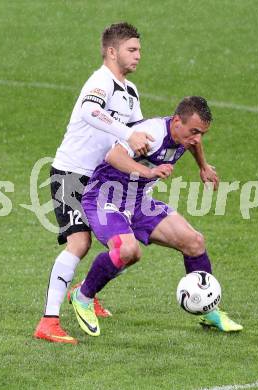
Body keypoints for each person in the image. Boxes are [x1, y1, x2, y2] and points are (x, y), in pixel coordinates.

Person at [34, 22, 218, 344]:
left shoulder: (130, 92)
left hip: (105, 179)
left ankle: (86, 292)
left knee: (123, 247)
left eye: (139, 50)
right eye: (131, 50)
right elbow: (91, 111)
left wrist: (170, 156)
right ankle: (48, 321)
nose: (138, 56)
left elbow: (140, 136)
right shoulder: (100, 82)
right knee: (80, 244)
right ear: (111, 51)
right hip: (72, 174)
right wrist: (127, 135)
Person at [69, 96, 243, 337]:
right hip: (104, 198)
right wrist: (148, 171)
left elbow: (192, 144)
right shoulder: (150, 134)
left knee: (194, 242)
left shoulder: (185, 135)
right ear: (176, 121)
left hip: (139, 202)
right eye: (194, 131)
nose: (197, 138)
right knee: (127, 251)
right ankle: (83, 296)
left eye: (202, 133)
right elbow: (114, 157)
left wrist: (203, 166)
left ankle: (208, 310)